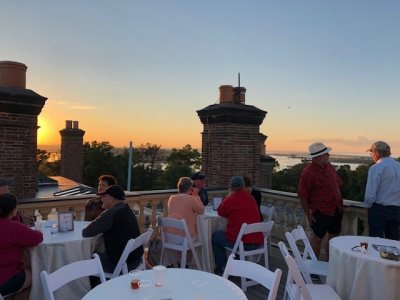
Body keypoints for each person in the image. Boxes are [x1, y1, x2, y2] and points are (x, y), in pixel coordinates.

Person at [82, 185, 143, 275]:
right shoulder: (127, 209)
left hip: (119, 264)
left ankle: (96, 286)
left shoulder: (111, 212)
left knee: (84, 260)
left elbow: (86, 232)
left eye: (104, 196)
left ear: (113, 199)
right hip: (135, 260)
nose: (101, 199)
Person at [298, 142, 343, 259]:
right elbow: (302, 196)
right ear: (319, 157)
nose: (329, 155)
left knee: (334, 238)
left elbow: (338, 184)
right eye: (326, 154)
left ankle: (330, 265)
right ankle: (312, 268)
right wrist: (308, 215)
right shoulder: (308, 173)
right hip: (321, 211)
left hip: (336, 209)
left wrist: (340, 203)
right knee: (317, 238)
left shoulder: (329, 167)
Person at [212, 176, 263, 275]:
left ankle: (223, 266)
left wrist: (228, 196)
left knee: (216, 236)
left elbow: (220, 212)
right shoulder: (251, 198)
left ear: (230, 188)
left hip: (243, 244)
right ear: (243, 186)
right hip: (257, 242)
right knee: (235, 235)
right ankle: (237, 263)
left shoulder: (231, 199)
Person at [0, 193, 43, 298]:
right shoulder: (12, 228)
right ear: (14, 210)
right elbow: (37, 237)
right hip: (4, 280)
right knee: (37, 274)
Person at [364, 141, 400, 240]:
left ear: (377, 153)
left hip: (379, 210)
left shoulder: (376, 168)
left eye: (371, 153)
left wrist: (367, 206)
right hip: (397, 209)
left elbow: (370, 194)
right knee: (393, 241)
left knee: (376, 241)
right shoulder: (398, 166)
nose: (371, 155)